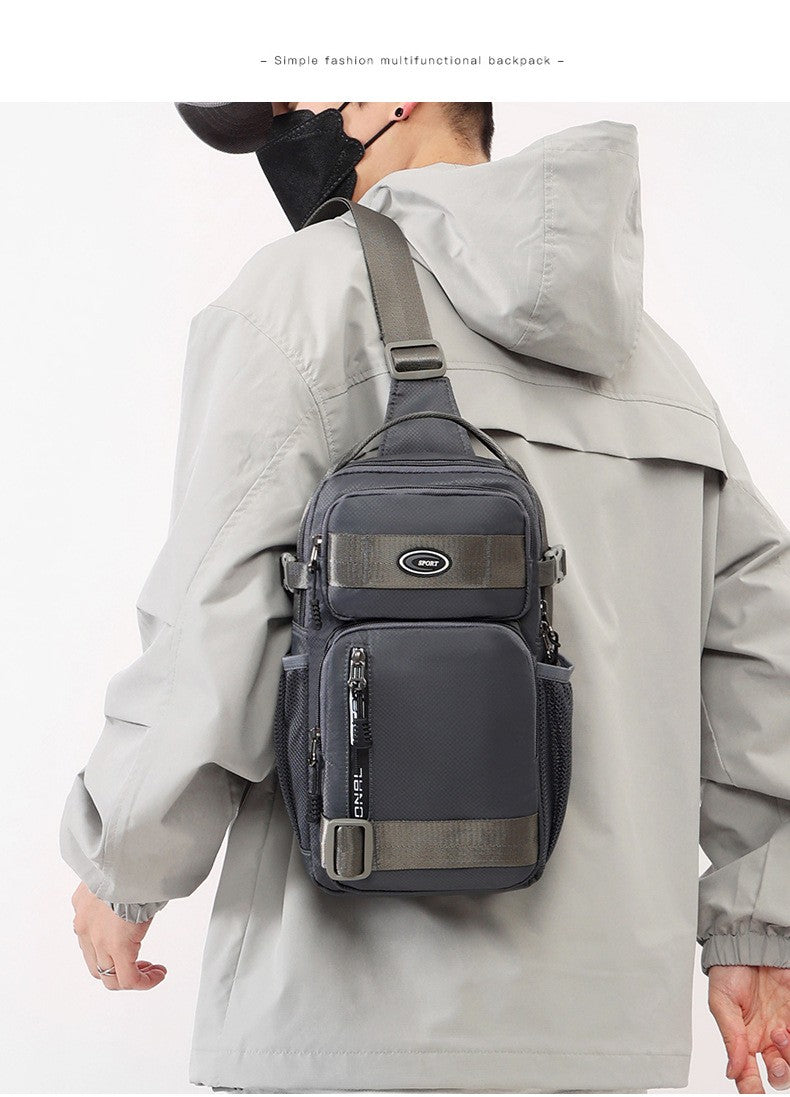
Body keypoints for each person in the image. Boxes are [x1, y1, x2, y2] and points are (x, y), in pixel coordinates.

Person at [61, 102, 790, 1094]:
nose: (285, 130)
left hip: (348, 1022)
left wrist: (124, 861)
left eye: (292, 98)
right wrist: (757, 927)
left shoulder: (305, 296)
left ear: (385, 92)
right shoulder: (657, 365)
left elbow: (213, 623)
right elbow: (759, 651)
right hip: (598, 1031)